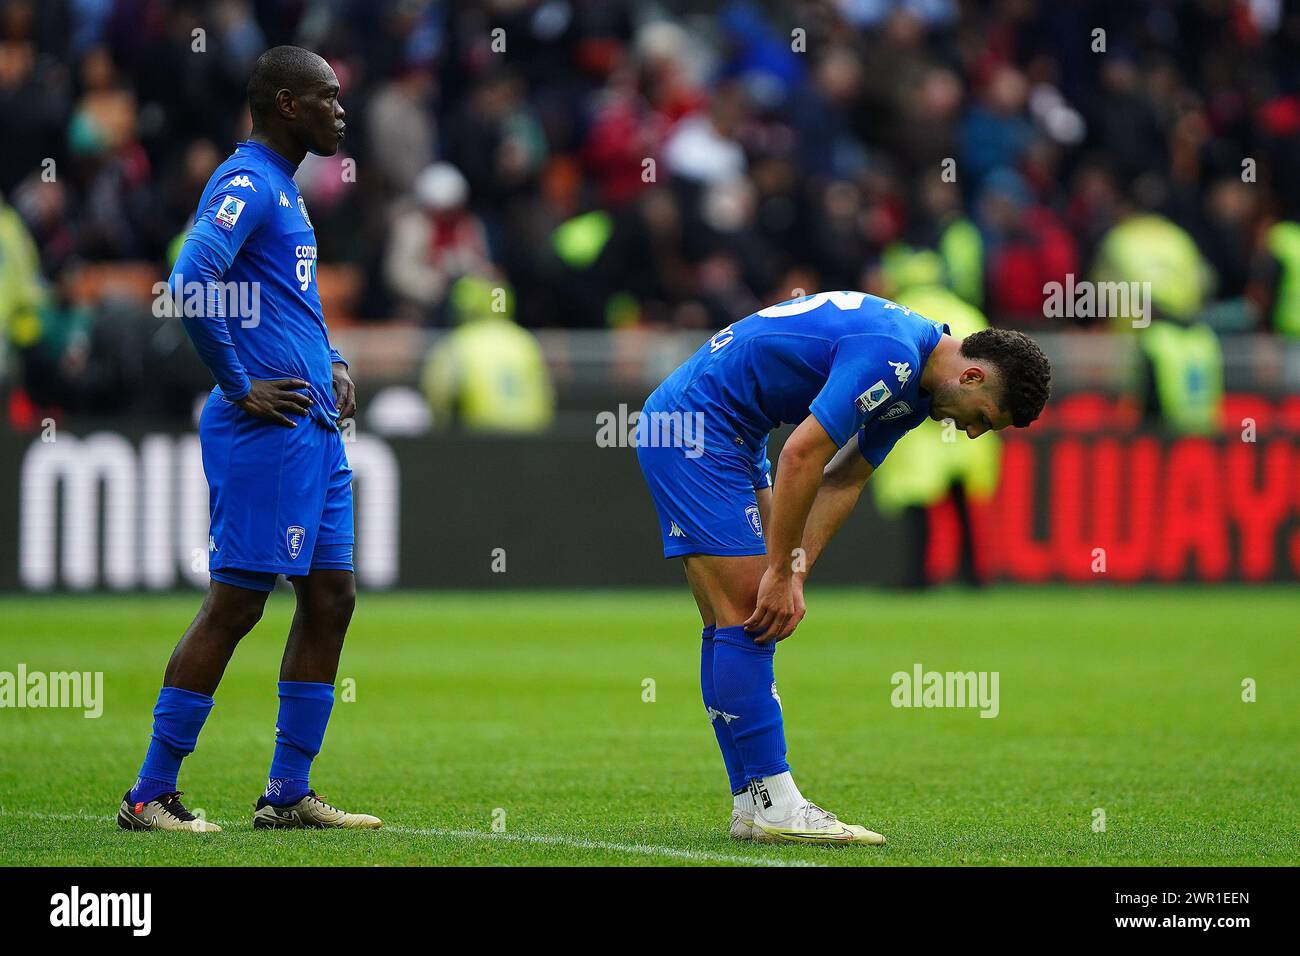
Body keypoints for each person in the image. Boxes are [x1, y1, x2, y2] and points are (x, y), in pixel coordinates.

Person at [636, 290, 1050, 844]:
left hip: (728, 431)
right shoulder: (891, 353)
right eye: (983, 420)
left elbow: (844, 478)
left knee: (736, 621)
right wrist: (780, 572)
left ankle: (750, 803)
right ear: (972, 377)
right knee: (746, 617)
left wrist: (794, 571)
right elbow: (802, 455)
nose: (972, 433)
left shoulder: (915, 385)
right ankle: (776, 803)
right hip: (697, 427)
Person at [117, 46, 379, 832]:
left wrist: (330, 359)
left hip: (314, 428)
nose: (341, 110)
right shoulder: (246, 181)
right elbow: (191, 280)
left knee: (332, 598)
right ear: (288, 106)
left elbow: (289, 302)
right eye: (328, 98)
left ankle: (287, 793)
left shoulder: (286, 193)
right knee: (236, 603)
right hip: (268, 431)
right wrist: (237, 382)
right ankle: (149, 793)